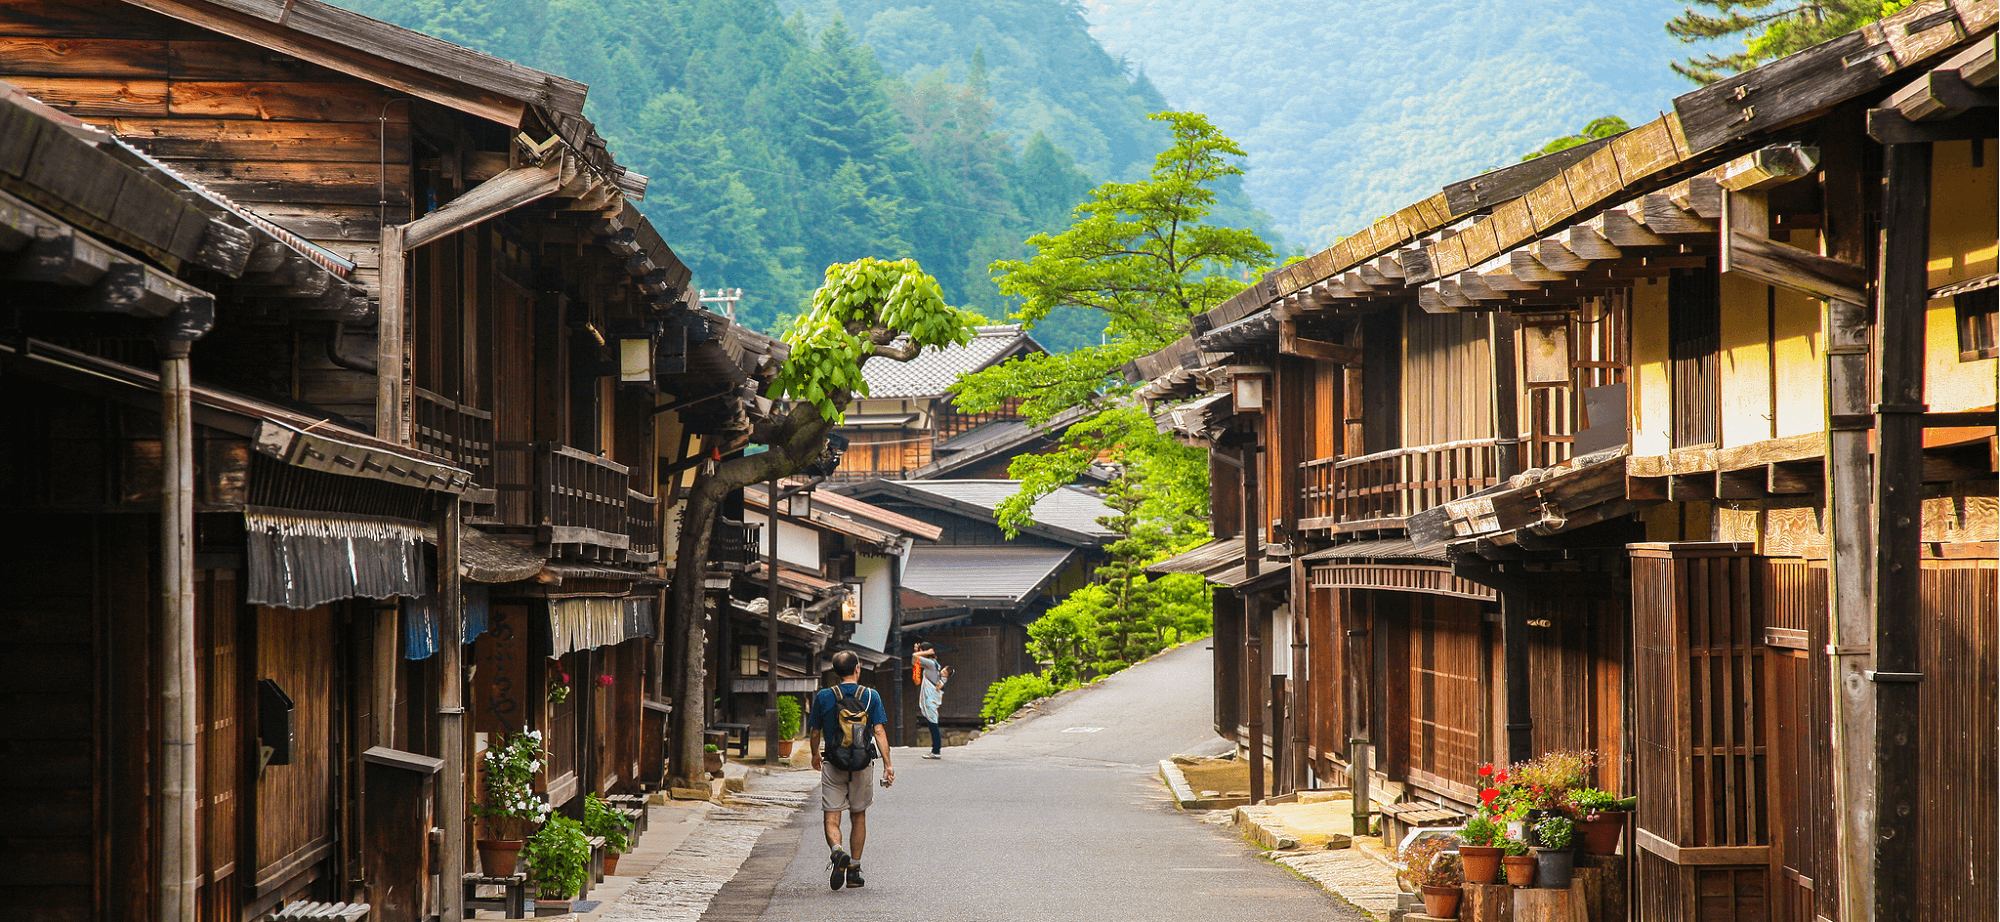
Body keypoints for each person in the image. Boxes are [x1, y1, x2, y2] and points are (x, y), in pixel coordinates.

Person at [807, 650, 894, 890]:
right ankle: (854, 871)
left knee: (832, 817)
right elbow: (879, 732)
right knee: (858, 816)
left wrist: (816, 754)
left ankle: (837, 852)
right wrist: (888, 765)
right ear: (857, 668)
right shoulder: (870, 696)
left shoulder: (824, 696)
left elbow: (814, 732)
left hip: (833, 763)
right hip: (862, 763)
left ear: (835, 671)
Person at [912, 641, 950, 759]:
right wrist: (919, 651)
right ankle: (935, 749)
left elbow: (914, 658)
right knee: (932, 723)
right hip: (931, 699)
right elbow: (915, 662)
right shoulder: (933, 663)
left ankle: (936, 750)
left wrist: (924, 652)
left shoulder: (930, 663)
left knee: (933, 724)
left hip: (930, 699)